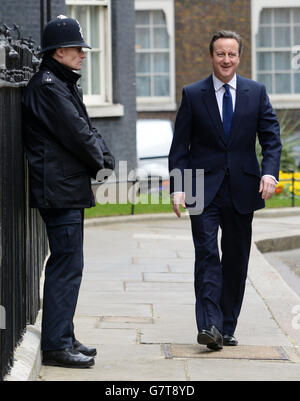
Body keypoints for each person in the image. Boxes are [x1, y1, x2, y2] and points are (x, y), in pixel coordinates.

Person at [168, 30, 281, 351]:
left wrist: (270, 173)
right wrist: (179, 187)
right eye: (220, 54)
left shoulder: (255, 92)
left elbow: (271, 139)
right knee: (206, 256)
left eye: (232, 54)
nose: (226, 60)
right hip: (202, 189)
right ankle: (209, 325)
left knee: (235, 259)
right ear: (211, 56)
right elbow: (180, 148)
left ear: (239, 57)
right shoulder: (193, 94)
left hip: (243, 189)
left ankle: (227, 325)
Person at [22, 16, 115, 368]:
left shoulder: (60, 82)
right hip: (58, 190)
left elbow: (86, 126)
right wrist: (102, 162)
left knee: (69, 263)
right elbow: (77, 133)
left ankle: (64, 333)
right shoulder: (48, 86)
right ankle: (57, 344)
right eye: (78, 49)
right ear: (59, 51)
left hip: (65, 187)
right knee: (66, 264)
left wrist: (104, 155)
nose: (83, 54)